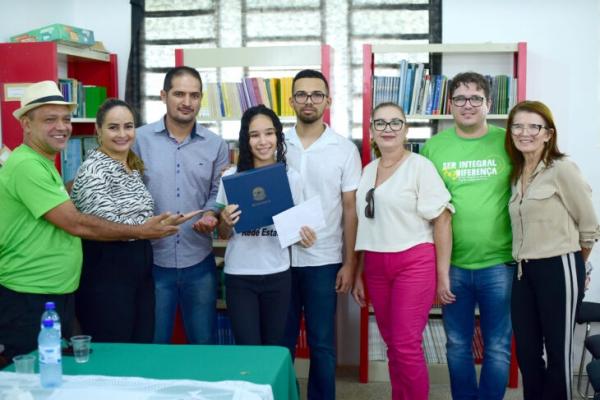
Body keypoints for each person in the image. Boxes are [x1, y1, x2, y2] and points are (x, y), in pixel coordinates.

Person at [0, 80, 187, 360]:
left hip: (56, 290)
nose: (61, 127)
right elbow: (77, 223)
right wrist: (144, 230)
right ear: (26, 124)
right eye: (50, 120)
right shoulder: (28, 165)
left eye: (65, 119)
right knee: (41, 377)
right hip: (31, 293)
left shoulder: (44, 164)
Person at [421, 71, 514, 400]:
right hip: (453, 266)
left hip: (499, 264)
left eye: (476, 98)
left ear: (488, 103)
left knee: (498, 346)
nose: (468, 105)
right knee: (458, 345)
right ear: (450, 105)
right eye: (460, 98)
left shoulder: (508, 142)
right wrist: (438, 270)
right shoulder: (434, 148)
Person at [352, 102, 453, 400]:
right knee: (392, 344)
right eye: (380, 123)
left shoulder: (420, 167)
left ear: (406, 129)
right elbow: (365, 225)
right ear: (371, 131)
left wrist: (442, 274)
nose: (388, 129)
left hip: (413, 262)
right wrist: (358, 272)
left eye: (395, 123)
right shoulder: (368, 170)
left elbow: (443, 218)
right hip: (375, 264)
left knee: (406, 344)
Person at [505, 100, 600, 400]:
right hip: (522, 271)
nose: (525, 132)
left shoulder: (562, 169)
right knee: (528, 354)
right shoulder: (517, 173)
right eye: (518, 126)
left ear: (548, 134)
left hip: (559, 266)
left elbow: (590, 226)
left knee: (558, 354)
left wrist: (576, 266)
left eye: (534, 126)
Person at [133, 66, 230, 344]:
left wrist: (212, 213)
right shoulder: (138, 140)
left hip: (198, 262)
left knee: (203, 345)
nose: (187, 102)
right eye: (179, 94)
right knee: (154, 345)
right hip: (152, 263)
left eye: (194, 95)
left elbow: (217, 191)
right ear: (164, 95)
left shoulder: (216, 145)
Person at [282, 69, 362, 400]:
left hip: (325, 260)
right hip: (279, 259)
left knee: (322, 343)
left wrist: (350, 264)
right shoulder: (276, 143)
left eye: (317, 95)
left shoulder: (344, 149)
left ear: (328, 101)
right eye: (302, 94)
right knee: (281, 342)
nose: (309, 101)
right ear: (291, 101)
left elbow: (350, 210)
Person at [216, 105, 316, 346]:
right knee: (248, 349)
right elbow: (222, 233)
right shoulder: (231, 177)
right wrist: (225, 222)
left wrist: (305, 237)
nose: (263, 141)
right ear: (246, 139)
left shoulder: (291, 177)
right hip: (240, 276)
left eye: (269, 133)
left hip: (278, 275)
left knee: (274, 348)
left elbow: (299, 228)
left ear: (278, 137)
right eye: (254, 135)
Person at [71, 99, 158, 342]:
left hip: (138, 271)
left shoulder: (131, 166)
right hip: (107, 273)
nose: (123, 134)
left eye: (128, 126)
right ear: (98, 130)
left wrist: (158, 225)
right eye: (113, 127)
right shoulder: (93, 171)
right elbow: (102, 226)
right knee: (113, 348)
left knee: (140, 347)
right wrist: (146, 229)